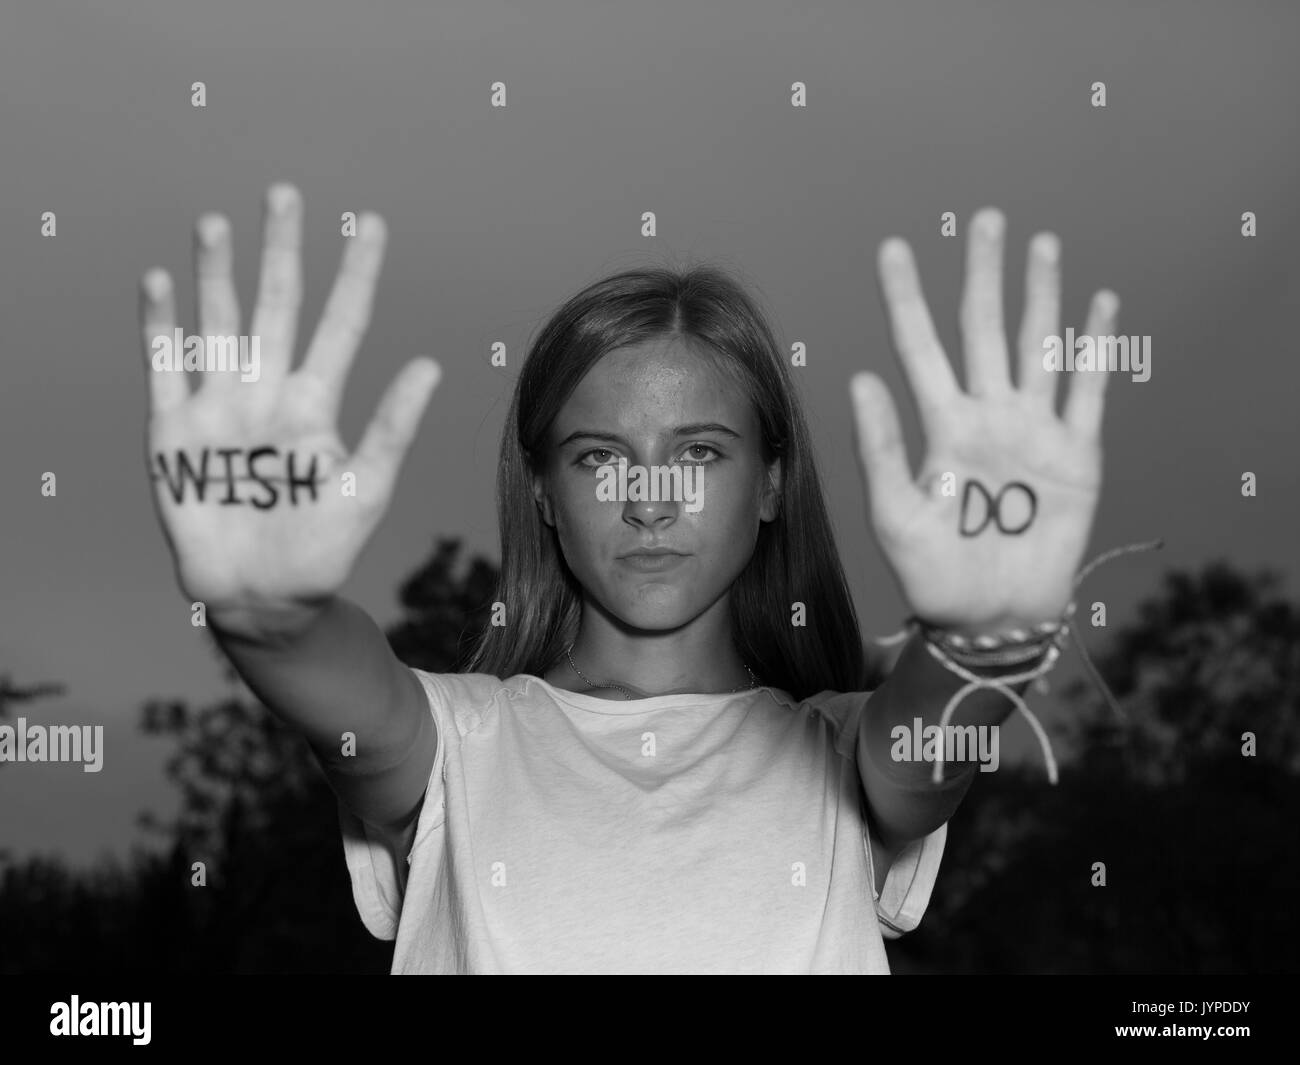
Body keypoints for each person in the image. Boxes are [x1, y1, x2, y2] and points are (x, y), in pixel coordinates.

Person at [137, 183, 1120, 974]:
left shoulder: (843, 755)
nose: (650, 499)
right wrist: (265, 608)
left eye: (698, 451)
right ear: (545, 494)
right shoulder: (456, 752)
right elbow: (334, 684)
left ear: (772, 481)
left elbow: (922, 757)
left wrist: (988, 633)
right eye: (600, 456)